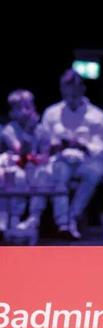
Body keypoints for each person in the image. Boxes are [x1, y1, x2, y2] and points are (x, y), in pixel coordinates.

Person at [41, 69, 103, 239]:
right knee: (59, 172)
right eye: (67, 91)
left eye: (74, 90)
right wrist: (55, 145)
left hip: (87, 160)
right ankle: (63, 223)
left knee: (94, 173)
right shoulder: (51, 113)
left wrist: (83, 145)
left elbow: (102, 147)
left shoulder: (98, 116)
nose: (71, 95)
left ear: (82, 89)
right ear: (61, 90)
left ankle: (72, 216)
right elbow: (44, 141)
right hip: (61, 159)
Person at [0, 89, 53, 232]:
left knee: (44, 174)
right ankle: (12, 219)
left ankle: (34, 218)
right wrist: (28, 131)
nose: (24, 111)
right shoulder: (9, 129)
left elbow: (45, 155)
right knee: (17, 176)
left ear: (34, 108)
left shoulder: (42, 129)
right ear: (12, 112)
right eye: (19, 108)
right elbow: (20, 151)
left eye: (28, 107)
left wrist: (36, 159)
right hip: (15, 167)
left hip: (35, 168)